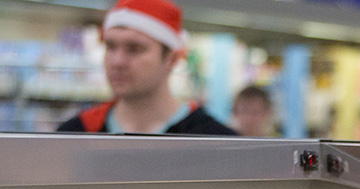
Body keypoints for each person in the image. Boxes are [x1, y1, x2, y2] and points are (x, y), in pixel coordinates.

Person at [58, 0, 237, 135]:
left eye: (135, 49)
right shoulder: (77, 134)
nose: (117, 61)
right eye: (110, 47)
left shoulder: (213, 140)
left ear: (172, 59)